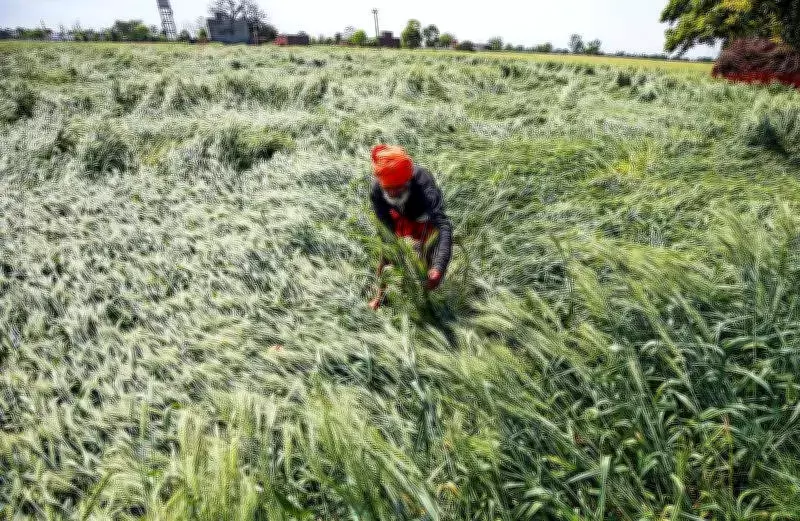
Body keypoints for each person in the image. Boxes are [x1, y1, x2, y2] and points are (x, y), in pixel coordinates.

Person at [368, 144, 453, 310]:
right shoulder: (378, 190)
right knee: (387, 250)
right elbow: (386, 234)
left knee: (428, 256)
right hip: (400, 216)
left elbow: (443, 226)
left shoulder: (424, 188)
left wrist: (438, 268)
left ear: (408, 182)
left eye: (397, 189)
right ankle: (380, 297)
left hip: (422, 216)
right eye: (388, 190)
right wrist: (390, 254)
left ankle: (426, 296)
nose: (392, 194)